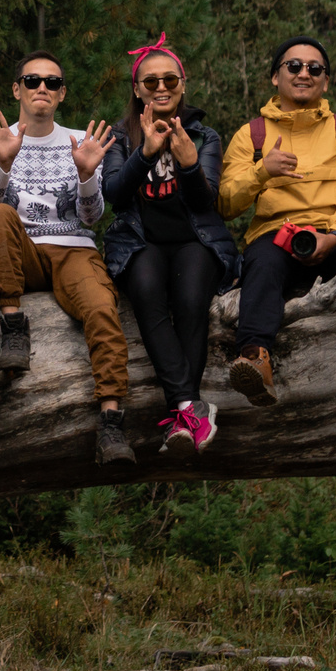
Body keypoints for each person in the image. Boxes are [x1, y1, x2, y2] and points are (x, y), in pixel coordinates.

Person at [218, 35, 336, 411]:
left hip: (335, 232)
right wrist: (261, 171)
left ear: (326, 81)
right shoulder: (251, 134)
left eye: (314, 68)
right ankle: (255, 359)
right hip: (276, 237)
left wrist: (333, 236)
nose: (304, 73)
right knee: (262, 261)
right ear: (275, 77)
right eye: (294, 66)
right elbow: (226, 204)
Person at [0, 52, 131, 466]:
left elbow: (93, 218)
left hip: (73, 249)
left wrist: (84, 175)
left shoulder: (82, 140)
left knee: (102, 310)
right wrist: (2, 164)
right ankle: (12, 330)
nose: (42, 87)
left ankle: (112, 423)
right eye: (32, 79)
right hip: (22, 251)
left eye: (52, 82)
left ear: (61, 94)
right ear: (17, 89)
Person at [96, 34, 230, 455]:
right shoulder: (120, 137)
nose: (161, 87)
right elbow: (115, 195)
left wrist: (189, 166)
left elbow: (205, 202)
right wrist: (146, 154)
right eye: (150, 82)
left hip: (196, 240)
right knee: (149, 295)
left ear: (183, 83)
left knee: (191, 303)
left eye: (169, 79)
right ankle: (190, 407)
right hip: (141, 241)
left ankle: (182, 416)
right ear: (137, 90)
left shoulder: (204, 136)